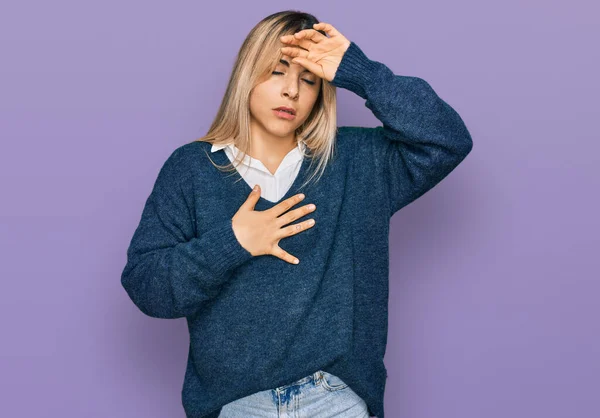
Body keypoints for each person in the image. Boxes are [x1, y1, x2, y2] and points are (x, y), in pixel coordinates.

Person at [121, 10, 473, 418]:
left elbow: (446, 139)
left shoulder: (356, 162)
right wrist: (232, 243)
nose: (291, 91)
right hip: (237, 406)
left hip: (336, 398)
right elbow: (147, 288)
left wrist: (359, 71)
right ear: (246, 76)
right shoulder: (192, 168)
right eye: (276, 72)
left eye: (308, 80)